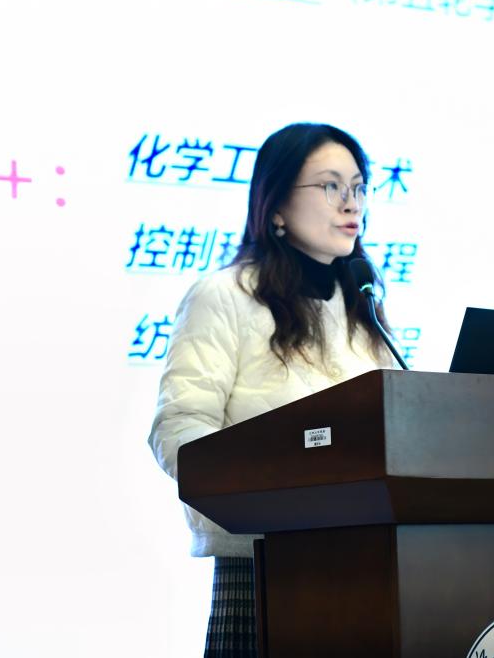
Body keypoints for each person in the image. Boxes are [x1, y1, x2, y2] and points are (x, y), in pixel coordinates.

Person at [148, 123, 395, 657]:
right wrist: (264, 496)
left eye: (359, 187)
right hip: (265, 566)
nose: (351, 203)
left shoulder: (362, 301)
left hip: (370, 564)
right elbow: (180, 428)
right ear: (276, 206)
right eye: (331, 186)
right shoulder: (225, 297)